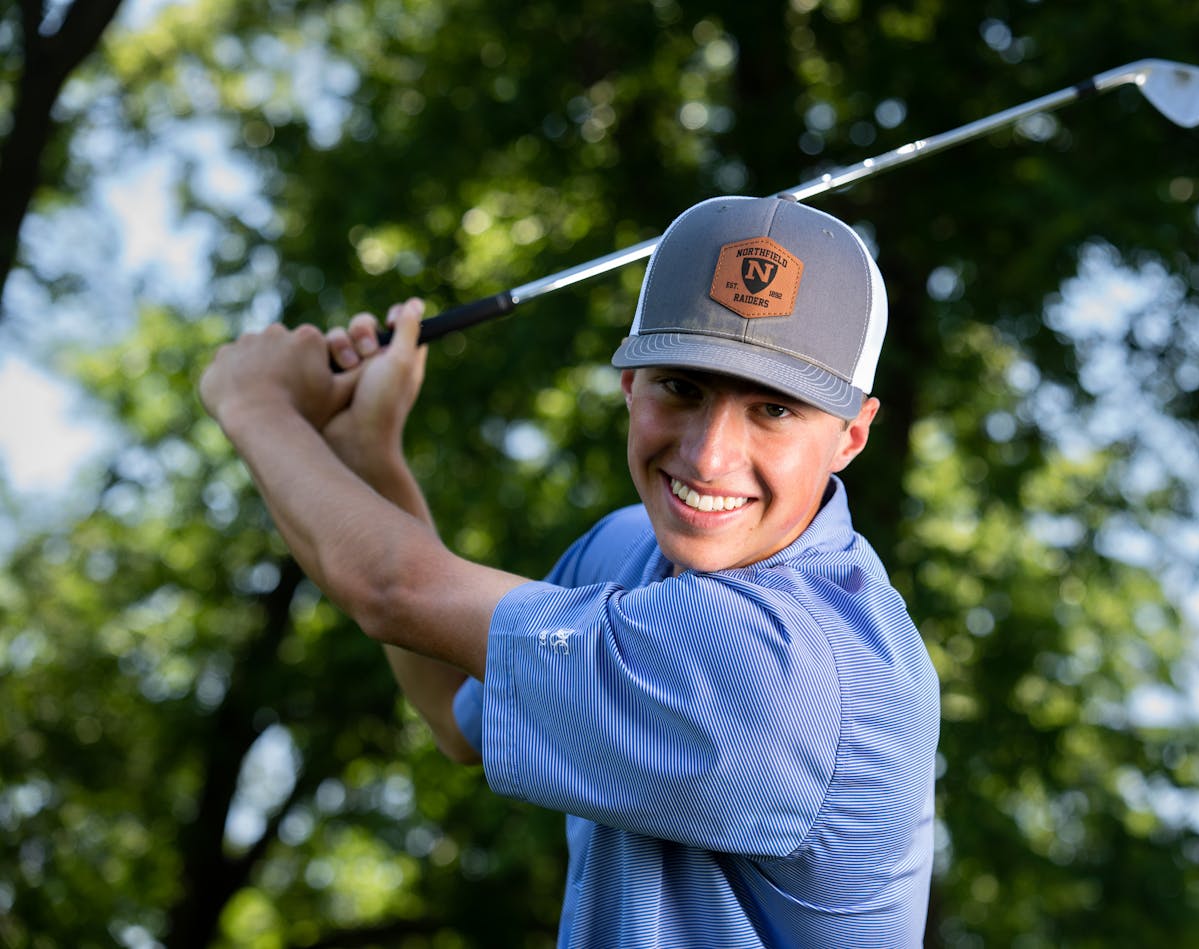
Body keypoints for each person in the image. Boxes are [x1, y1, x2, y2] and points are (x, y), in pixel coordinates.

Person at [200, 195, 940, 947]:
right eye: (681, 387)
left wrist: (256, 404)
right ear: (629, 386)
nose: (709, 456)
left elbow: (395, 589)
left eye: (774, 410)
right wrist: (367, 453)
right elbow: (460, 706)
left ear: (851, 435)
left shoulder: (794, 670)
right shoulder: (629, 551)